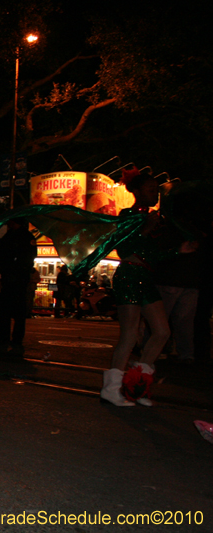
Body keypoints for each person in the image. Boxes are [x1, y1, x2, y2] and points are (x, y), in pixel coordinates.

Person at [101, 171, 196, 406]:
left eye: (156, 189)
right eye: (151, 189)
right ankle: (111, 389)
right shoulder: (127, 215)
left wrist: (178, 251)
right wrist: (145, 229)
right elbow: (123, 248)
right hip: (129, 275)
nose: (155, 194)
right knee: (130, 334)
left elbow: (151, 255)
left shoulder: (153, 218)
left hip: (145, 276)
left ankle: (137, 386)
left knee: (162, 332)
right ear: (137, 191)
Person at [0, 218, 37, 358]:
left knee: (14, 310)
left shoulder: (24, 237)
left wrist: (12, 270)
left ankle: (13, 338)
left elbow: (28, 257)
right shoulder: (10, 236)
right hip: (10, 277)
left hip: (16, 277)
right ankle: (8, 336)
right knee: (8, 310)